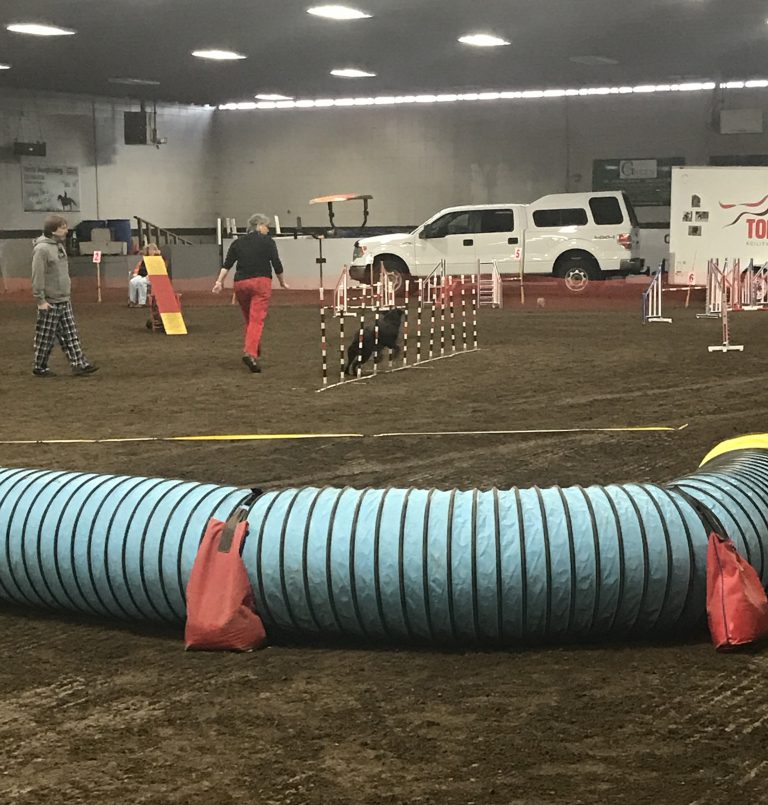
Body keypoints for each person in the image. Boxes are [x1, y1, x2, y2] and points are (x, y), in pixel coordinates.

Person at [212, 213, 288, 372]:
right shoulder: (268, 242)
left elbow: (227, 265)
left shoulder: (237, 243)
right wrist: (281, 281)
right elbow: (276, 263)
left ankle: (254, 345)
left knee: (249, 319)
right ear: (259, 226)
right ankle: (250, 353)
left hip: (240, 284)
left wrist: (219, 282)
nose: (268, 229)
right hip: (261, 283)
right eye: (267, 226)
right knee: (256, 320)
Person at [31, 214, 98, 377]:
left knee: (70, 334)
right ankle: (40, 366)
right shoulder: (41, 250)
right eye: (63, 227)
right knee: (45, 337)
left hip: (64, 299)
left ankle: (79, 364)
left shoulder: (59, 246)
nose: (66, 230)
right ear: (53, 230)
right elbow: (37, 275)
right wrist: (40, 299)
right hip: (50, 301)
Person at [128, 242, 161, 307]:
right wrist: (135, 274)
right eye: (149, 250)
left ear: (155, 250)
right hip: (141, 275)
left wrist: (150, 276)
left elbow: (159, 270)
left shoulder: (158, 259)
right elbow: (139, 267)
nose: (151, 251)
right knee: (132, 282)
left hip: (152, 276)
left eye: (152, 250)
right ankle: (132, 301)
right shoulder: (145, 259)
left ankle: (141, 302)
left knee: (141, 282)